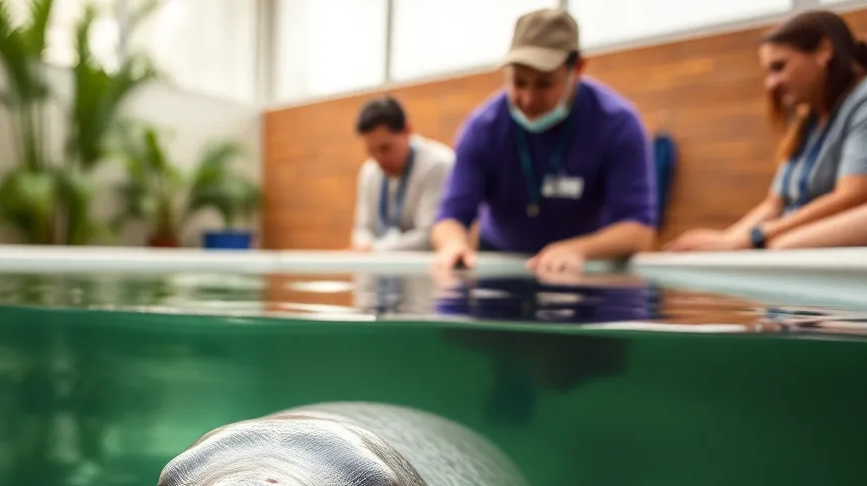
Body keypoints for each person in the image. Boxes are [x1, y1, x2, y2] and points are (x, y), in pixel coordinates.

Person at [430, 7, 657, 276]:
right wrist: (453, 244)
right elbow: (451, 216)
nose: (527, 98)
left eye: (544, 84)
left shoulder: (617, 124)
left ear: (577, 69)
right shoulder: (482, 128)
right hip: (500, 259)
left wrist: (578, 249)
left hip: (584, 267)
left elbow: (639, 228)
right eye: (518, 82)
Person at [666, 10, 867, 252]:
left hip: (828, 234)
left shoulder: (861, 102)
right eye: (768, 72)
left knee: (782, 244)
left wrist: (757, 236)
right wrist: (725, 240)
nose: (771, 84)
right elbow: (775, 203)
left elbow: (852, 196)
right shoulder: (807, 121)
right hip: (789, 234)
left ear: (824, 51)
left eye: (779, 67)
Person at [350, 96, 456, 252]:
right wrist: (363, 245)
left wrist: (374, 250)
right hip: (379, 272)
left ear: (407, 131)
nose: (379, 159)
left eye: (385, 148)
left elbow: (430, 236)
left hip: (423, 274)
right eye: (371, 152)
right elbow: (363, 228)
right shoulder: (369, 171)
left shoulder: (438, 165)